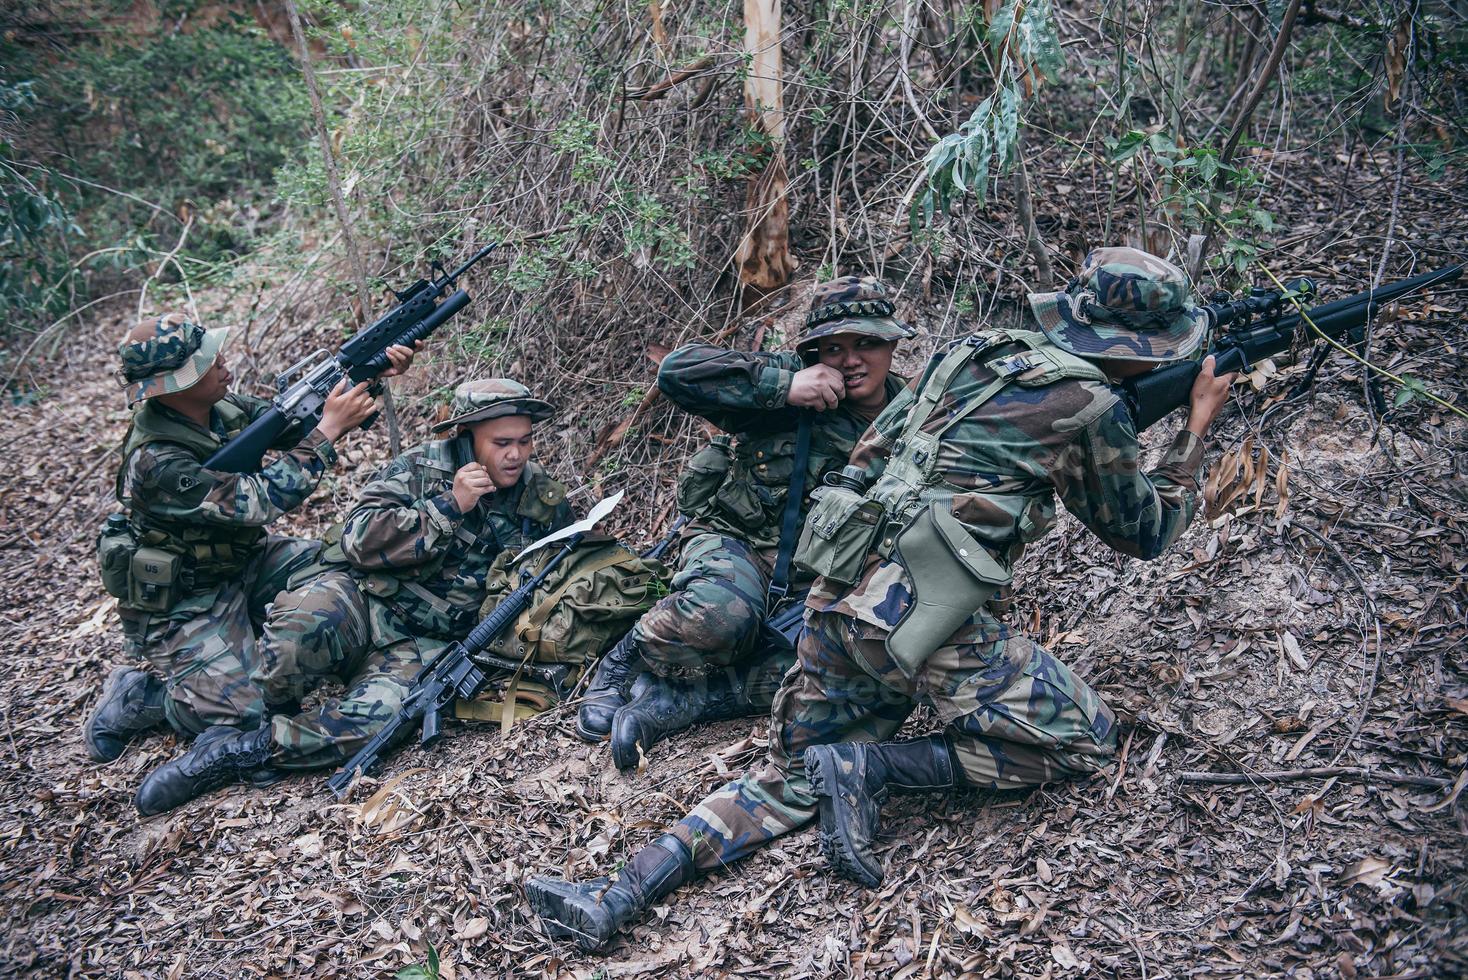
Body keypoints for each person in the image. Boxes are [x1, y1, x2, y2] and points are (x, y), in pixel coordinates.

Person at [527, 247, 1239, 951]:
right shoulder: (1090, 404)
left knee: (785, 781)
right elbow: (1146, 532)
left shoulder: (972, 352)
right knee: (1086, 739)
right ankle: (873, 768)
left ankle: (612, 895)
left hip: (836, 603)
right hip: (922, 624)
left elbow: (871, 455)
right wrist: (1196, 429)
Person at [133, 379, 574, 814]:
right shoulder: (419, 469)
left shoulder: (539, 496)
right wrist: (446, 507)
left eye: (525, 441)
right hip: (364, 601)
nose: (515, 455)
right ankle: (177, 703)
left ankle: (243, 750)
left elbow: (569, 561)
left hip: (423, 644)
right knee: (293, 638)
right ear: (467, 435)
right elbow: (357, 540)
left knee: (384, 721)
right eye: (501, 442)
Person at [577, 276, 913, 770]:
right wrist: (785, 387)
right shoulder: (789, 380)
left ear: (891, 344)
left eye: (868, 343)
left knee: (868, 665)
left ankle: (690, 700)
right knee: (719, 618)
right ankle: (626, 660)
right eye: (834, 347)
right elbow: (676, 371)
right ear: (814, 351)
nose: (851, 360)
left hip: (823, 581)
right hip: (740, 545)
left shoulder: (914, 418)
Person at [85, 314, 416, 764]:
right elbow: (256, 501)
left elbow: (297, 425)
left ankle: (275, 641)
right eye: (206, 363)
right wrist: (328, 432)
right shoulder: (157, 460)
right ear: (177, 386)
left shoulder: (219, 407)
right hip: (185, 596)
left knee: (345, 559)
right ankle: (143, 698)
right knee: (245, 714)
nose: (222, 363)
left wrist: (368, 378)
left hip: (243, 559)